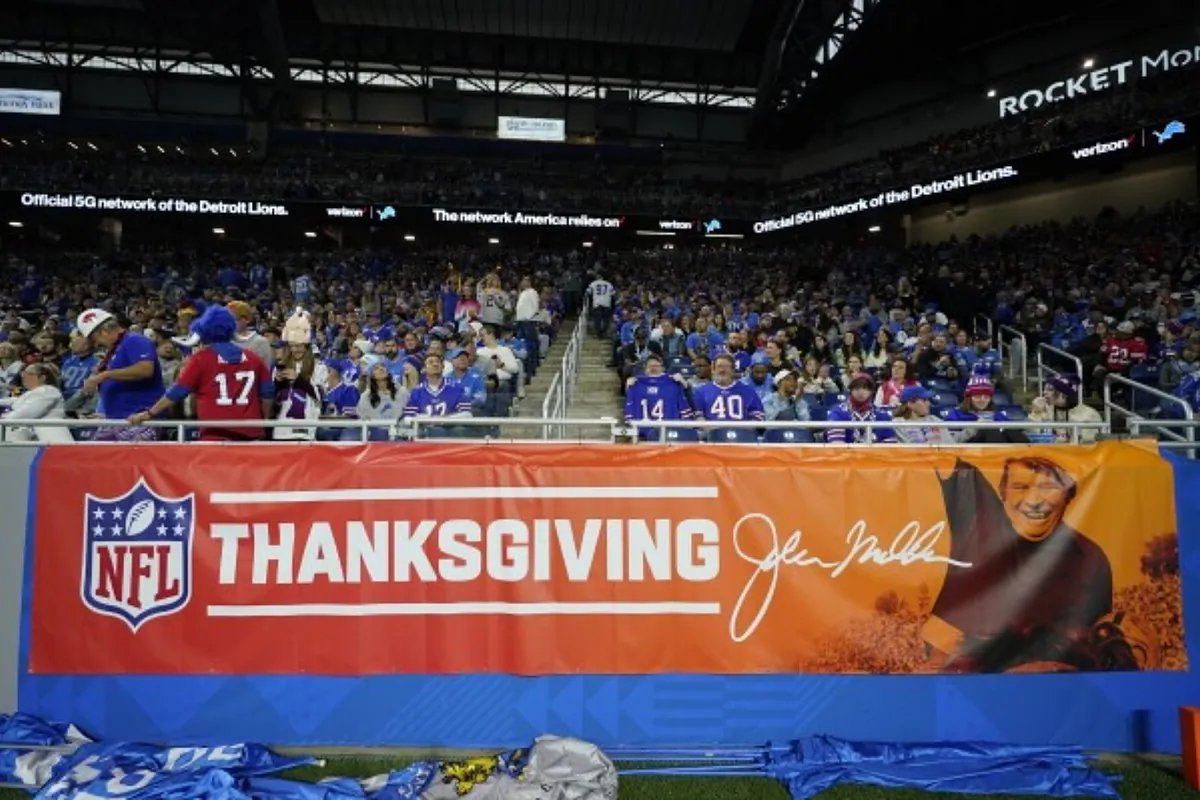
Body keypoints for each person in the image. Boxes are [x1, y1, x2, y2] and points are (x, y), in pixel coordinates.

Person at [925, 457, 1115, 673]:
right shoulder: (979, 525)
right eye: (1020, 487)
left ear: (1068, 495)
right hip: (975, 685)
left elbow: (1098, 644)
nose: (1034, 500)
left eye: (1048, 487)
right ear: (1003, 494)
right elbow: (944, 457)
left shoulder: (1090, 558)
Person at [128, 306, 274, 441]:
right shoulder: (252, 357)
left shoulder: (201, 358)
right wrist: (264, 421)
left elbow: (178, 391)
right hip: (251, 433)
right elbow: (267, 393)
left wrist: (149, 413)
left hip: (216, 434)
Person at [75, 308, 165, 442]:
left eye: (95, 339)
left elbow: (145, 369)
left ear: (104, 332)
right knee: (95, 458)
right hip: (116, 420)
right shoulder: (115, 350)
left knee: (133, 461)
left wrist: (105, 375)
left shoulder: (134, 340)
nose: (96, 344)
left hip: (138, 419)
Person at [624, 352, 693, 441]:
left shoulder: (673, 383)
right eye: (650, 366)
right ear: (645, 369)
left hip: (670, 433)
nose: (653, 368)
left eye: (656, 366)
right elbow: (629, 413)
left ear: (663, 368)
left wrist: (685, 385)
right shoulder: (635, 384)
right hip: (643, 435)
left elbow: (685, 409)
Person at [944, 368, 1025, 444]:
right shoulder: (955, 415)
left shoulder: (997, 414)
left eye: (986, 397)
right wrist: (974, 428)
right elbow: (950, 441)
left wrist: (1034, 415)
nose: (982, 400)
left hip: (1000, 452)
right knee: (990, 430)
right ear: (969, 398)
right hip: (971, 452)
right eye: (977, 396)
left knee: (1011, 430)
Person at [0, 363, 70, 443]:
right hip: (36, 438)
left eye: (29, 374)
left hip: (51, 439)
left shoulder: (48, 391)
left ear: (42, 378)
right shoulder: (32, 392)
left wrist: (4, 417)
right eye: (23, 373)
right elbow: (13, 401)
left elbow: (23, 415)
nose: (24, 377)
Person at [1028, 374, 1104, 444]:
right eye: (1044, 389)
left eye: (1050, 390)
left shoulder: (1089, 415)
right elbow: (1032, 437)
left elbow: (1086, 446)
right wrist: (1036, 413)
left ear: (1064, 394)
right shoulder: (1046, 410)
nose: (1044, 392)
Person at [826, 372, 897, 443]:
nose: (861, 392)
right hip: (845, 453)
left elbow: (889, 446)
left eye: (865, 388)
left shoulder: (882, 415)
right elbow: (836, 445)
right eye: (857, 388)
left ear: (871, 391)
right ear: (851, 390)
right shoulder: (837, 413)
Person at [357, 361, 407, 440]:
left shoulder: (401, 391)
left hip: (398, 431)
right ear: (372, 375)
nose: (381, 369)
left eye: (383, 366)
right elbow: (363, 418)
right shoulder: (366, 396)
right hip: (376, 434)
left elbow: (407, 413)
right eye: (376, 368)